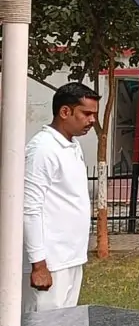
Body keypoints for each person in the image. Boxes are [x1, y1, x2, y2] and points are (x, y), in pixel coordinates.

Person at [22, 82, 100, 313]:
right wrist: (39, 265)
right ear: (65, 112)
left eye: (94, 114)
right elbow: (29, 208)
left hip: (71, 258)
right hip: (49, 262)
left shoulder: (71, 146)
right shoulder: (42, 150)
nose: (93, 120)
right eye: (86, 113)